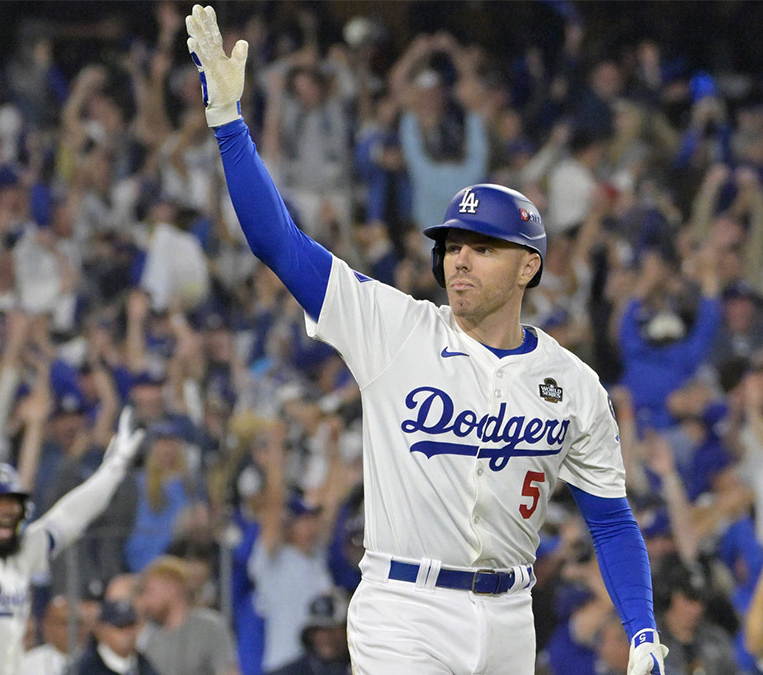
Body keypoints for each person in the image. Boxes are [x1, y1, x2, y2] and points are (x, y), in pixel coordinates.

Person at [184, 6, 666, 674]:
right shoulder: (394, 326)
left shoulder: (574, 384)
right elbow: (279, 244)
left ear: (529, 266)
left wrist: (642, 631)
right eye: (452, 246)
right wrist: (229, 127)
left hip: (508, 619)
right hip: (403, 609)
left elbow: (612, 522)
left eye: (482, 248)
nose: (459, 259)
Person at [0, 350, 145, 675]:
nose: (6, 511)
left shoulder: (25, 548)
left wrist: (114, 469)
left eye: (11, 503)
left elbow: (70, 516)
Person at [136, 555, 237, 675]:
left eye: (151, 591)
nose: (146, 601)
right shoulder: (151, 640)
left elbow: (228, 672)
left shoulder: (209, 627)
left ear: (172, 588)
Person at [267, 591, 352, 675]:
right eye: (319, 629)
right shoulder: (290, 672)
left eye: (332, 628)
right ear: (310, 635)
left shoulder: (362, 666)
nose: (326, 636)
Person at [74, 600, 159, 675]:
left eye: (131, 625)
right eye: (120, 626)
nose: (127, 632)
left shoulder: (146, 666)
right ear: (101, 631)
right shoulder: (83, 669)